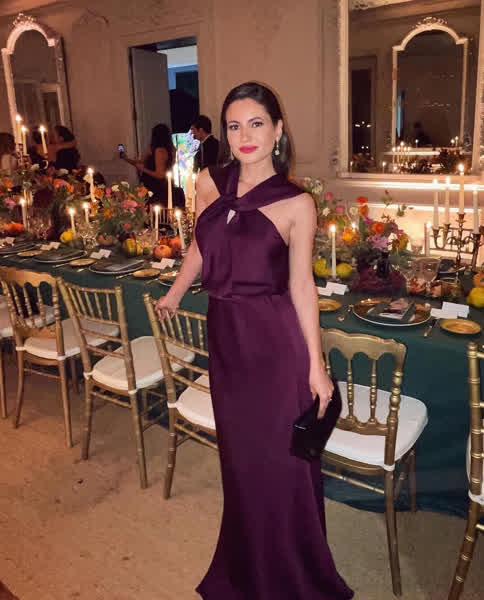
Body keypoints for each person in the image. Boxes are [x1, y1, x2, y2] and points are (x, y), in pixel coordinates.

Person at [155, 82, 353, 600]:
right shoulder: (208, 182)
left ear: (278, 130)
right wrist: (175, 291)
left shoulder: (297, 203)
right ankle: (247, 565)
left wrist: (315, 366)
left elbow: (302, 286)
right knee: (241, 462)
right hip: (227, 337)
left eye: (257, 123)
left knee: (282, 463)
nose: (245, 135)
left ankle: (293, 575)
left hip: (274, 342)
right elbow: (200, 246)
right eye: (235, 126)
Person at [121, 123, 184, 208]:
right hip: (166, 184)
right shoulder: (171, 149)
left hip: (155, 187)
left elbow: (160, 174)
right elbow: (140, 163)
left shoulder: (159, 151)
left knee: (153, 211)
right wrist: (125, 158)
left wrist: (143, 169)